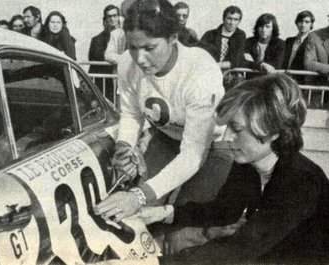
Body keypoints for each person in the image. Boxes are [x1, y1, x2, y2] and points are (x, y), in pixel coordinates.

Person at [98, 73, 329, 265]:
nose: (228, 137)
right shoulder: (249, 163)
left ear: (272, 132)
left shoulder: (301, 181)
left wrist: (152, 263)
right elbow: (224, 210)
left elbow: (241, 249)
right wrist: (163, 213)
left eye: (237, 129)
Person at [94, 0, 224, 223]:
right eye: (133, 47)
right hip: (167, 137)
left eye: (149, 48)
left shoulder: (200, 69)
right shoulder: (127, 62)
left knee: (184, 220)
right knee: (136, 216)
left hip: (213, 145)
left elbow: (193, 154)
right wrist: (124, 146)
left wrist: (139, 195)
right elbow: (132, 114)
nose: (140, 58)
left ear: (173, 38)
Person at [88, 5, 120, 102]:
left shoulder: (126, 35)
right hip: (105, 82)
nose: (112, 19)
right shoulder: (97, 39)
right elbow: (96, 56)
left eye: (114, 15)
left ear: (119, 17)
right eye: (109, 16)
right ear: (105, 19)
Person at [200, 6, 245, 70]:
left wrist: (216, 66)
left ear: (239, 21)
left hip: (231, 72)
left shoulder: (240, 35)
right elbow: (200, 55)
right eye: (229, 18)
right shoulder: (210, 34)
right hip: (209, 71)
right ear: (224, 18)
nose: (231, 23)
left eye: (235, 19)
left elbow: (237, 60)